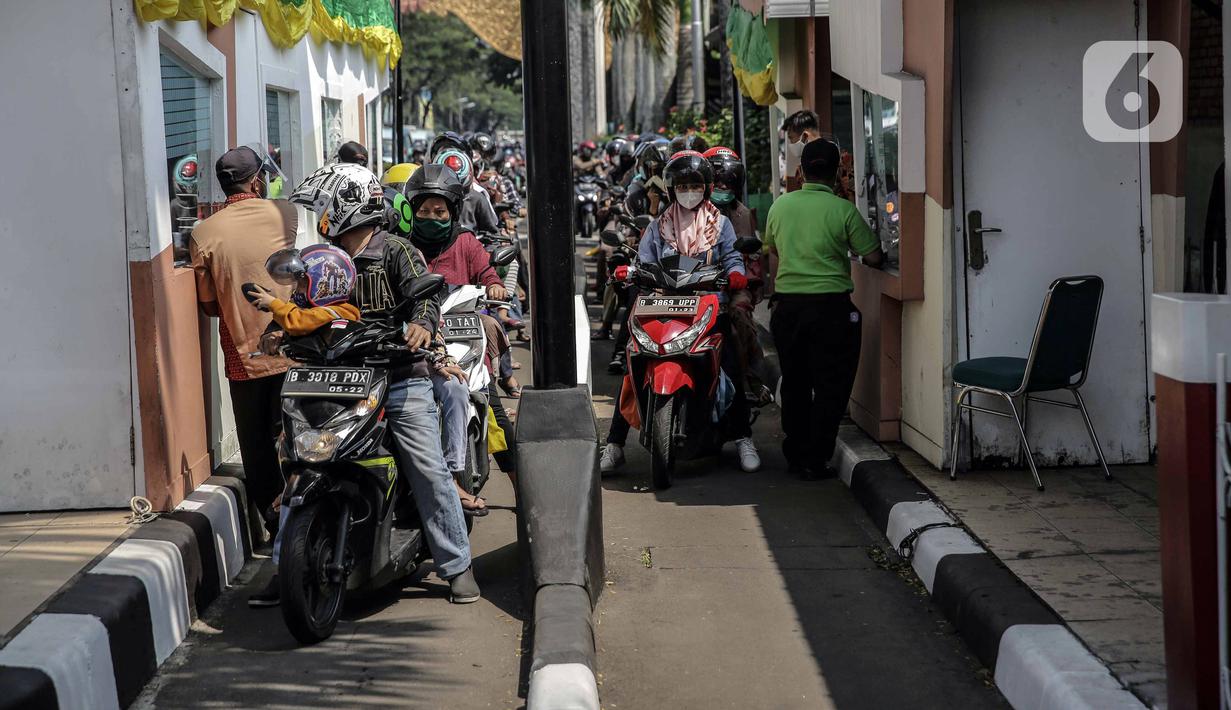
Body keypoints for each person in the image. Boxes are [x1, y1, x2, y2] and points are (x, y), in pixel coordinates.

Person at [278, 161, 479, 605]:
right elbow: (300, 308)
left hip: (400, 378)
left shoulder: (397, 251)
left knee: (427, 468)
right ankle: (284, 561)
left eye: (328, 206)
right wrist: (281, 331)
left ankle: (456, 563)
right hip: (334, 381)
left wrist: (423, 325)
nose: (323, 216)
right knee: (294, 458)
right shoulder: (323, 258)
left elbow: (426, 298)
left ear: (349, 205)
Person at [600, 150, 761, 474]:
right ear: (673, 188)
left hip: (707, 302)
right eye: (683, 185)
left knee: (728, 359)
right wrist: (629, 272)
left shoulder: (722, 223)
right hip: (660, 302)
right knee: (636, 362)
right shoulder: (659, 226)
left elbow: (731, 258)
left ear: (705, 187)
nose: (689, 191)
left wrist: (735, 273)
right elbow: (644, 260)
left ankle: (744, 437)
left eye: (695, 185)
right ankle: (615, 444)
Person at [190, 146, 297, 548]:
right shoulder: (284, 213)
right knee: (297, 439)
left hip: (242, 356)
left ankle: (275, 530)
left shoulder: (203, 233)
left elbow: (209, 306)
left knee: (256, 450)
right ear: (257, 180)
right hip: (295, 346)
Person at [765, 138, 884, 480]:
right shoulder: (843, 210)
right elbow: (874, 256)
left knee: (796, 382)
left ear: (801, 172)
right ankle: (816, 459)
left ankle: (796, 453)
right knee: (831, 386)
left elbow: (771, 249)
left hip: (788, 309)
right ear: (837, 174)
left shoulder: (780, 207)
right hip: (831, 310)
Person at [403, 164, 517, 513]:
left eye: (439, 211)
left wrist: (494, 284)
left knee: (493, 407)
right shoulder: (402, 246)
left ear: (452, 211)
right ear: (412, 212)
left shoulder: (465, 241)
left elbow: (486, 271)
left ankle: (522, 486)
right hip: (419, 341)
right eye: (424, 211)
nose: (431, 217)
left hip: (464, 337)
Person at [704, 146, 769, 402]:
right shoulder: (691, 211)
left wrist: (743, 278)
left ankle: (751, 380)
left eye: (727, 179)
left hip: (733, 283)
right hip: (695, 283)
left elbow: (751, 256)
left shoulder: (741, 214)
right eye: (717, 179)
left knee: (741, 316)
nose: (722, 184)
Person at [245, 244, 361, 333]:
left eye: (302, 283)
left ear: (323, 281)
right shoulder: (322, 310)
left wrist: (273, 304)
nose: (297, 290)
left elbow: (297, 323)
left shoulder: (334, 313)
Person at [432, 132, 501, 235]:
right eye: (443, 150)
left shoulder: (477, 196)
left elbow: (492, 235)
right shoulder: (427, 196)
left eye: (454, 149)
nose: (450, 154)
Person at [782, 110, 821, 189]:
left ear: (805, 135)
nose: (791, 144)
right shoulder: (800, 170)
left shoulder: (841, 162)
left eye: (791, 138)